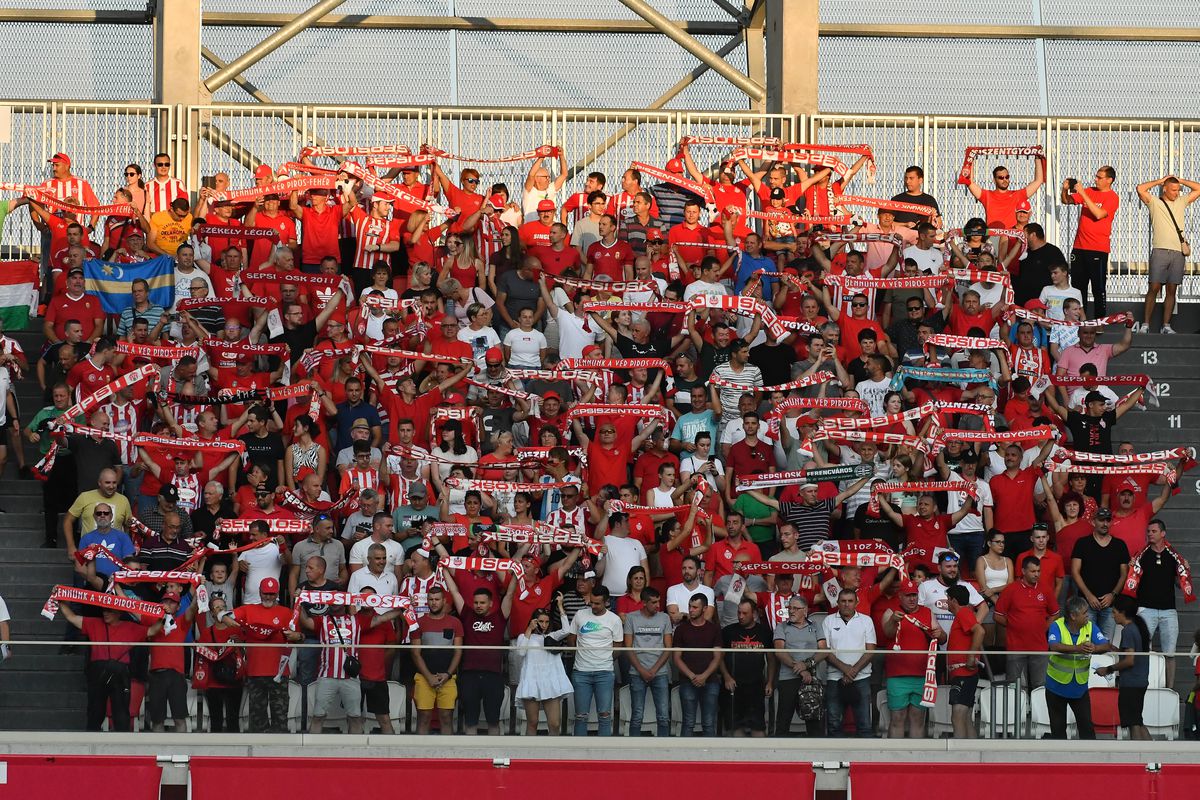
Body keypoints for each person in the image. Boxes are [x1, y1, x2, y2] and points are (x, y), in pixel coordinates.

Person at [58, 602, 145, 731]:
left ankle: (123, 748)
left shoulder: (131, 627)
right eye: (104, 610)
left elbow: (153, 630)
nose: (105, 613)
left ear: (119, 613)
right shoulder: (93, 623)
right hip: (97, 673)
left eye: (109, 611)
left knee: (121, 716)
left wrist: (164, 615)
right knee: (95, 714)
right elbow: (71, 617)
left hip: (120, 674)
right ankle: (91, 747)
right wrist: (60, 600)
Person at [1135, 174, 1200, 334]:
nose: (1176, 193)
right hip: (1160, 250)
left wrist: (1179, 180)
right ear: (1164, 189)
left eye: (1178, 190)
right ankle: (1146, 324)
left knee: (1172, 289)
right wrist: (1159, 180)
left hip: (1178, 252)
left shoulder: (1181, 201)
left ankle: (1166, 325)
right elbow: (1140, 189)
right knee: (1154, 287)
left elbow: (1198, 189)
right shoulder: (1155, 202)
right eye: (1173, 190)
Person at [881, 579, 946, 739]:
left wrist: (940, 634)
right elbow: (887, 633)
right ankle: (895, 761)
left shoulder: (927, 612)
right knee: (897, 719)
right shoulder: (891, 612)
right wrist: (893, 621)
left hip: (923, 675)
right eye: (908, 595)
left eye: (914, 595)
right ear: (900, 596)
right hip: (897, 676)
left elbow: (943, 638)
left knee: (918, 719)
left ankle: (915, 759)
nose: (912, 599)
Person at [1046, 596, 1111, 739]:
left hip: (1079, 688)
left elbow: (1106, 645)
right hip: (1056, 686)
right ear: (1073, 616)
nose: (1088, 615)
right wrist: (1078, 648)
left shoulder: (1090, 626)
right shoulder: (1056, 626)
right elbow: (1054, 646)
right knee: (1058, 731)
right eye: (1084, 613)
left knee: (1087, 728)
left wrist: (1095, 647)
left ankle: (1090, 760)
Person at [994, 555, 1060, 690]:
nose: (1037, 574)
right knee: (1015, 687)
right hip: (1016, 648)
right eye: (1033, 571)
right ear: (1023, 571)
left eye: (1038, 571)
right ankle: (1016, 712)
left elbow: (1055, 613)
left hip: (1039, 647)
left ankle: (1037, 712)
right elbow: (997, 615)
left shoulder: (1045, 589)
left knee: (1040, 686)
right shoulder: (1010, 590)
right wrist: (1014, 624)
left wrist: (1044, 627)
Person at [1061, 166, 1118, 317]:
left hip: (1097, 249)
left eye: (1100, 177)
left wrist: (1083, 194)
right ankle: (1080, 320)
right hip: (1079, 247)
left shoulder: (1112, 197)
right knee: (1078, 287)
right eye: (1096, 176)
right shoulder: (1090, 191)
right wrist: (1065, 189)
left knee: (1098, 287)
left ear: (1109, 180)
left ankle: (1099, 321)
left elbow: (1099, 214)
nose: (1096, 180)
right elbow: (1066, 200)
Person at [568, 585, 623, 737]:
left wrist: (603, 659)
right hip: (581, 672)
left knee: (605, 716)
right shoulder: (580, 614)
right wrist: (580, 656)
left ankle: (603, 756)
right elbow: (571, 639)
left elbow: (618, 647)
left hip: (604, 673)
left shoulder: (614, 619)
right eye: (591, 602)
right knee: (580, 716)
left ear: (606, 602)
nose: (593, 606)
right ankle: (579, 757)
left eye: (597, 603)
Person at [820, 588, 877, 737]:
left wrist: (853, 671)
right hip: (834, 677)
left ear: (856, 602)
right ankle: (834, 758)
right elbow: (824, 651)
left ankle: (864, 759)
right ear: (837, 603)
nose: (846, 604)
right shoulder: (828, 620)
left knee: (864, 724)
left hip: (861, 677)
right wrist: (846, 669)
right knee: (833, 724)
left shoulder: (866, 620)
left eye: (850, 601)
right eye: (843, 601)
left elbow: (870, 650)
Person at [1097, 594, 1152, 740]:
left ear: (1122, 613)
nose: (1113, 617)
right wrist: (1114, 649)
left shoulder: (1127, 630)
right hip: (1140, 681)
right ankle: (1152, 752)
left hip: (1131, 683)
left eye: (1114, 613)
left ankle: (1138, 754)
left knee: (1133, 722)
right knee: (1138, 721)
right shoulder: (1138, 627)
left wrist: (1107, 669)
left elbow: (1129, 661)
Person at [1070, 508, 1129, 640]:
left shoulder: (1120, 545)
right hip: (1086, 605)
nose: (1105, 523)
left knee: (1106, 645)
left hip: (1110, 605)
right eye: (1101, 520)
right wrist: (1089, 595)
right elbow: (1074, 571)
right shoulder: (1082, 543)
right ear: (1093, 521)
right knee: (1085, 644)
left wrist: (1113, 595)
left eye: (1108, 520)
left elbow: (1124, 574)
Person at [411, 585, 463, 735]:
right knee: (424, 717)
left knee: (447, 717)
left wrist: (446, 675)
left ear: (444, 601)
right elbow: (415, 653)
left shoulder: (455, 623)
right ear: (427, 601)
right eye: (431, 599)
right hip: (423, 677)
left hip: (448, 677)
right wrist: (428, 677)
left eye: (437, 599)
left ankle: (448, 757)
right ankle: (420, 756)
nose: (434, 602)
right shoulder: (418, 623)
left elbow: (458, 652)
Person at [720, 598, 775, 737]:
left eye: (744, 613)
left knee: (758, 726)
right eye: (739, 612)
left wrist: (769, 681)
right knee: (735, 727)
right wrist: (726, 677)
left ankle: (760, 758)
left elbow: (771, 658)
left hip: (756, 686)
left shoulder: (765, 632)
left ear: (754, 614)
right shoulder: (728, 631)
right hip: (733, 686)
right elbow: (718, 657)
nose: (740, 616)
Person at [515, 605, 573, 735]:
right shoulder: (523, 637)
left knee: (555, 723)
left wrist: (560, 607)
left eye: (547, 621)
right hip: (532, 680)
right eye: (541, 621)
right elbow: (521, 652)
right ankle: (530, 754)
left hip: (550, 681)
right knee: (532, 722)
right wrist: (529, 629)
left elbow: (566, 630)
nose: (544, 624)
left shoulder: (552, 636)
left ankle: (553, 753)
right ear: (533, 621)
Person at [773, 596, 826, 737]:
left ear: (805, 610)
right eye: (789, 608)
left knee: (814, 722)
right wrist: (801, 670)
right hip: (788, 679)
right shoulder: (781, 627)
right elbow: (779, 651)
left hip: (812, 679)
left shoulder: (815, 626)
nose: (791, 611)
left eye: (795, 608)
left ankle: (815, 756)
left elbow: (824, 651)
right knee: (783, 721)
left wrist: (807, 665)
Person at [623, 586, 673, 737]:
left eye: (658, 601)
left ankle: (664, 751)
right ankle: (633, 752)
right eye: (653, 602)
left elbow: (668, 648)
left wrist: (653, 670)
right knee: (637, 716)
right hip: (637, 672)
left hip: (660, 672)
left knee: (663, 716)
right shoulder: (631, 617)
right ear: (644, 602)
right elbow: (628, 647)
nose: (658, 605)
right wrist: (642, 670)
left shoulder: (664, 618)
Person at [673, 593, 722, 737]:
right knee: (688, 722)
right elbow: (676, 658)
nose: (691, 610)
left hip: (711, 680)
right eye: (689, 606)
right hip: (688, 680)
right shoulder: (681, 629)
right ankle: (683, 758)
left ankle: (711, 758)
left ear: (705, 608)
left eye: (695, 607)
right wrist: (693, 676)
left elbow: (717, 657)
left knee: (709, 723)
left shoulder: (714, 629)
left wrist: (704, 676)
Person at [945, 584, 985, 738]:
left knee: (958, 716)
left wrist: (971, 655)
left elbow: (980, 631)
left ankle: (960, 756)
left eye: (948, 600)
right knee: (966, 718)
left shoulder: (963, 613)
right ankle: (972, 756)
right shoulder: (963, 615)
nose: (946, 603)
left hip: (964, 674)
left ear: (953, 600)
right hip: (963, 674)